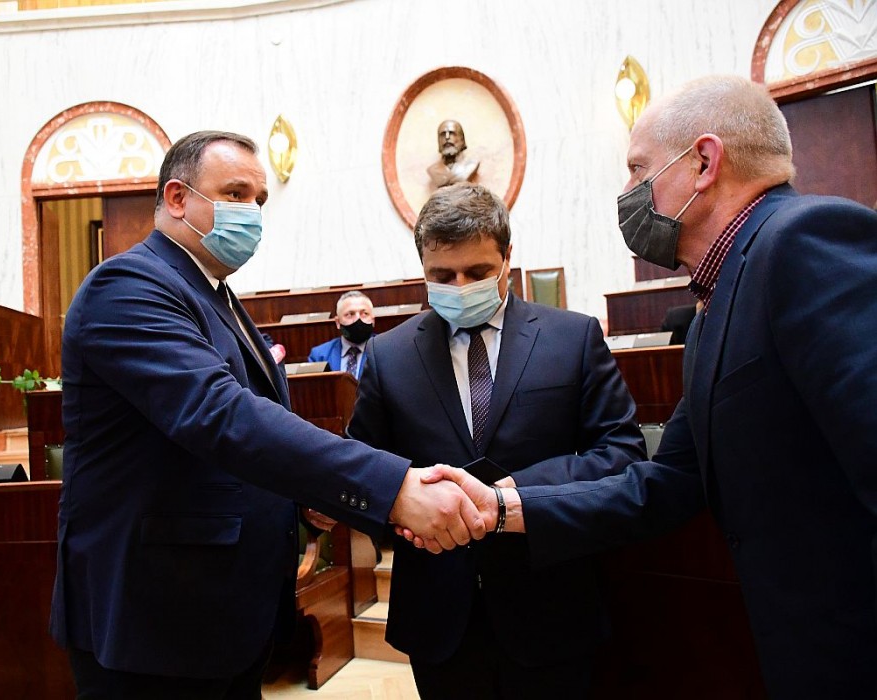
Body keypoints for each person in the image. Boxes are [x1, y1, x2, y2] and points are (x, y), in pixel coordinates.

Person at [411, 75, 877, 699]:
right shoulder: (716, 306)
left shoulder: (802, 240)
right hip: (804, 644)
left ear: (704, 163)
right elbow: (666, 482)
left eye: (638, 169)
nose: (629, 191)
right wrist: (501, 509)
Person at [49, 130, 488, 699]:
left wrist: (312, 499)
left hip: (222, 615)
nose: (252, 212)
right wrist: (394, 488)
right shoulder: (128, 286)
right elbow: (219, 415)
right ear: (177, 198)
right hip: (154, 617)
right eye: (235, 194)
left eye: (258, 199)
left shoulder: (214, 295)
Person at [348, 182, 646, 699]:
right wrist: (405, 511)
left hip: (551, 602)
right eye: (443, 276)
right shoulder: (387, 355)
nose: (460, 286)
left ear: (507, 257)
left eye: (478, 271)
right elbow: (364, 468)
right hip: (439, 613)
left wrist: (513, 495)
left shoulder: (572, 338)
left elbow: (621, 453)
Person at [307, 290, 374, 378]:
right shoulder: (319, 355)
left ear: (373, 320)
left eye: (364, 314)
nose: (358, 319)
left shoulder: (384, 350)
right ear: (338, 322)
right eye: (350, 314)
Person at [426, 120, 480, 188]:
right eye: (443, 134)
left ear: (462, 139)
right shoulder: (432, 169)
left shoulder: (472, 164)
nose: (447, 137)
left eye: (451, 133)